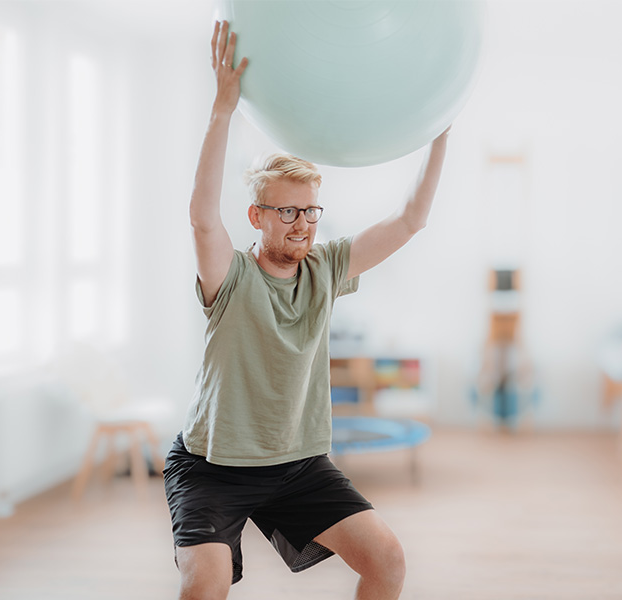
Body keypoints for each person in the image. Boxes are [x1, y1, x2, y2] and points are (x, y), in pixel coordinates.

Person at [163, 20, 450, 600]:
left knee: (387, 560)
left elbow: (410, 219)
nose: (302, 225)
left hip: (296, 465)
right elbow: (200, 217)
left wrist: (440, 124)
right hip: (212, 466)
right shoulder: (231, 275)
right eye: (288, 212)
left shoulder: (325, 270)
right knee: (206, 583)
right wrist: (223, 109)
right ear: (258, 217)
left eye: (311, 211)